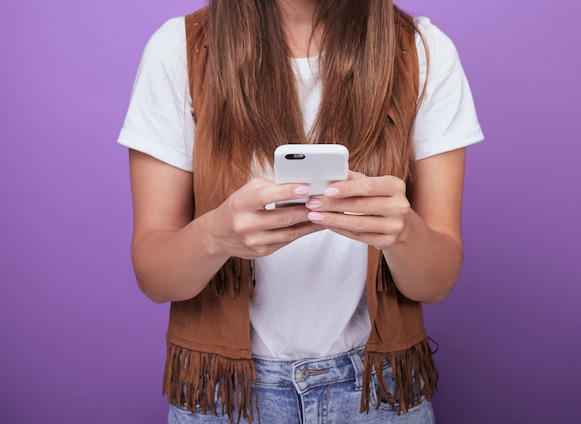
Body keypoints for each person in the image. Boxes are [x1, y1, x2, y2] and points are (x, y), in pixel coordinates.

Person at [118, 0, 483, 422]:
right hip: (228, 397)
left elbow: (435, 284)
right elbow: (154, 275)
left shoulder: (422, 51)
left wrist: (403, 235)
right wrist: (215, 237)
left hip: (376, 394)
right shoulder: (180, 50)